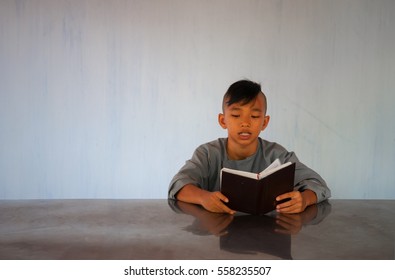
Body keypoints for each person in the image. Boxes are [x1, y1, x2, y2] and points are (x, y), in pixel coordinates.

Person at [168, 79, 331, 215]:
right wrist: (204, 198)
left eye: (254, 116)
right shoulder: (208, 154)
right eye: (236, 115)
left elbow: (318, 184)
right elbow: (178, 184)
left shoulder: (277, 155)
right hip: (217, 235)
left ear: (265, 122)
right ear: (223, 120)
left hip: (269, 233)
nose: (245, 123)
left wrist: (304, 200)